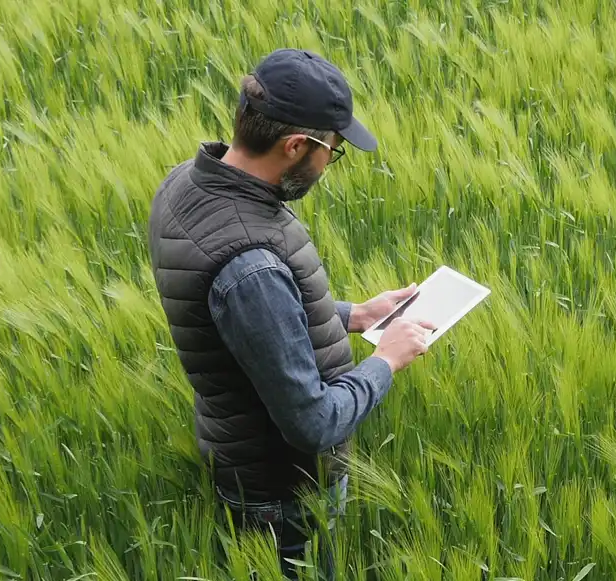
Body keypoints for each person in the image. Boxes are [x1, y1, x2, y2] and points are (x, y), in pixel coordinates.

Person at [145, 47, 436, 580]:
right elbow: (313, 422)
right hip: (284, 496)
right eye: (334, 150)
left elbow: (241, 319)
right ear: (296, 145)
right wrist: (387, 361)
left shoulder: (186, 183)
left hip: (239, 454)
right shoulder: (251, 263)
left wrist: (354, 315)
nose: (329, 163)